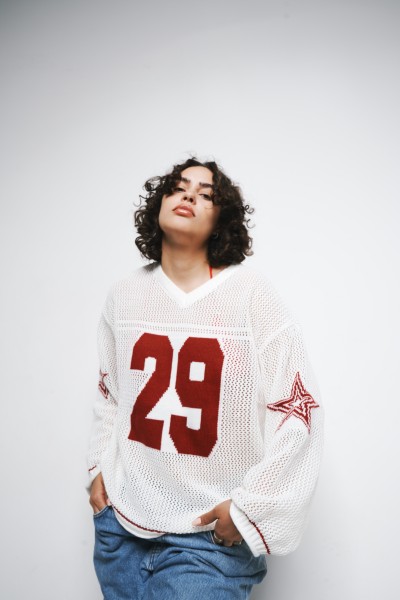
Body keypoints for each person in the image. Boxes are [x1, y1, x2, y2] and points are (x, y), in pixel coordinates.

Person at [87, 157, 323, 599]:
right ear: (159, 203)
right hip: (121, 530)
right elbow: (111, 395)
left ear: (221, 219)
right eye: (179, 187)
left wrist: (250, 510)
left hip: (207, 540)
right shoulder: (124, 294)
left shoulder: (251, 295)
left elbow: (298, 410)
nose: (189, 195)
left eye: (206, 194)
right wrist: (98, 470)